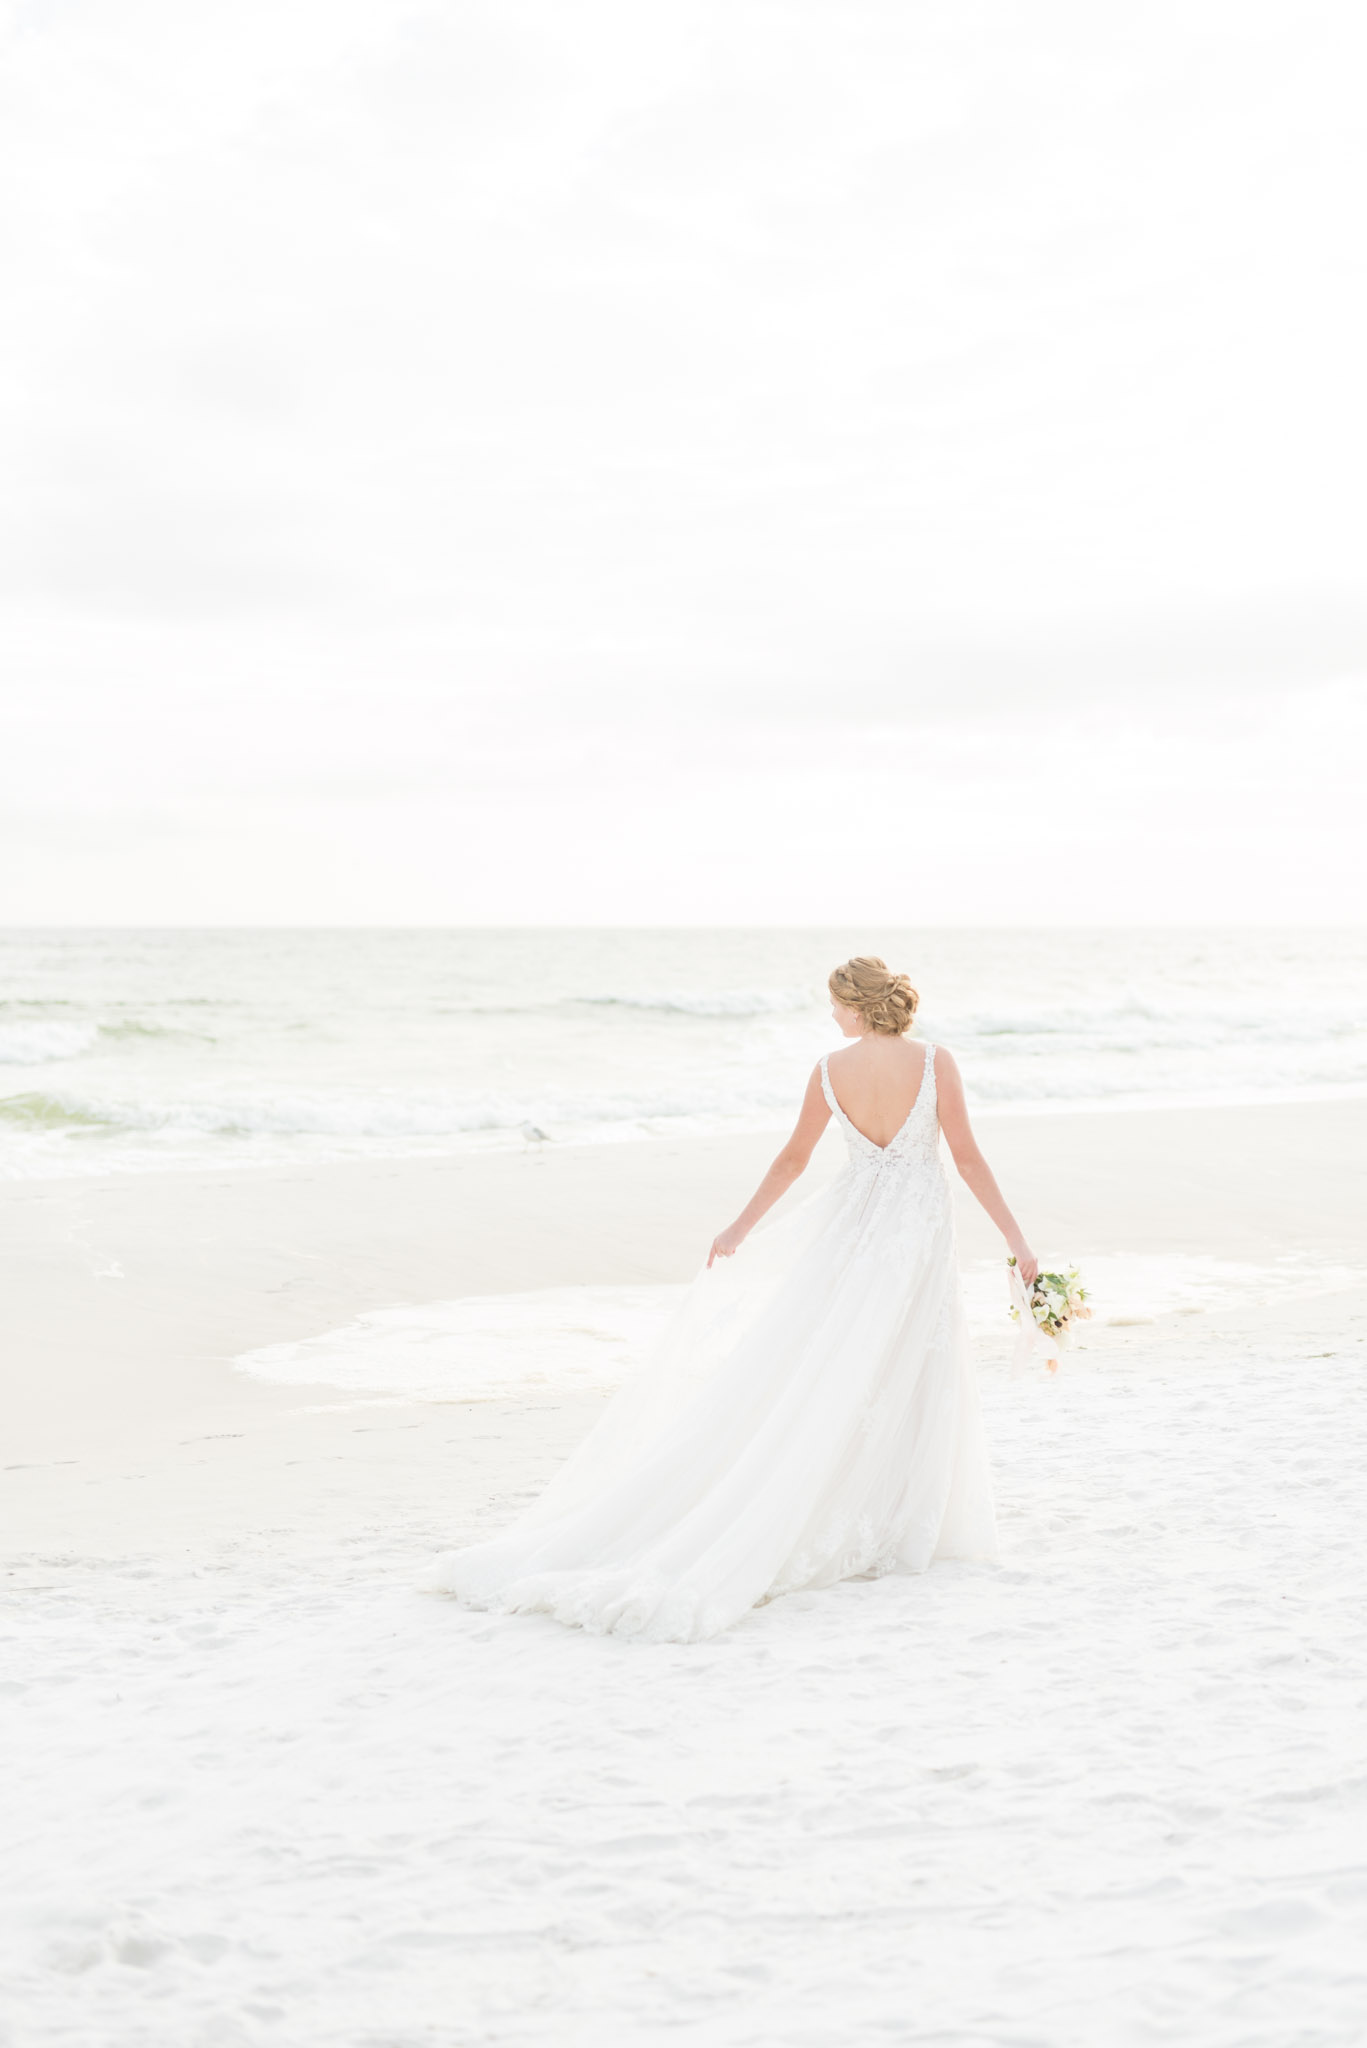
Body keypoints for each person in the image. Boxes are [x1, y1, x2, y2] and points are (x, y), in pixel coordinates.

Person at [423, 956, 1037, 1642]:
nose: (831, 1016)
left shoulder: (828, 1071)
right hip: (917, 1232)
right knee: (910, 1363)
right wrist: (1017, 1241)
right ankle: (902, 1516)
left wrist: (741, 1226)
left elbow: (790, 1160)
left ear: (858, 1007)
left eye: (835, 1004)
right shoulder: (933, 1062)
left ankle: (867, 1505)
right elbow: (968, 1157)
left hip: (854, 1230)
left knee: (836, 1365)